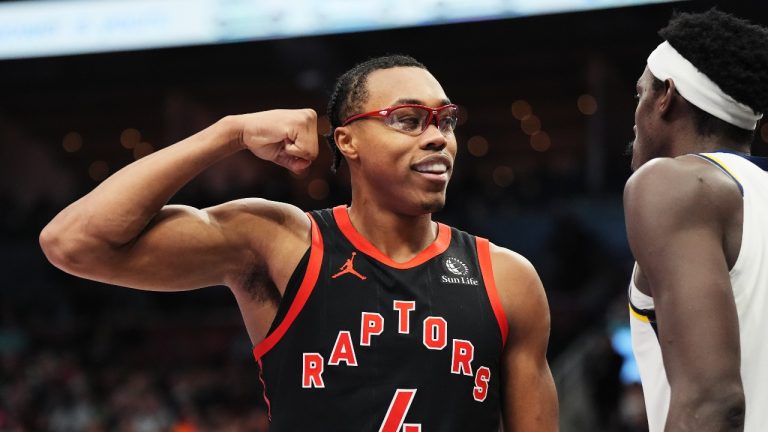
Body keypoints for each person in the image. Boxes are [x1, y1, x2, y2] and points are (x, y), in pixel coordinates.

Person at [40, 55, 558, 431]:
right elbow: (73, 243)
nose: (437, 136)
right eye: (407, 119)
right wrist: (229, 132)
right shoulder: (279, 244)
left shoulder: (508, 277)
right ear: (347, 140)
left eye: (445, 120)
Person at [624, 9, 768, 432]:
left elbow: (713, 401)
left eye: (640, 95)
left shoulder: (672, 184)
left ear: (666, 95)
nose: (635, 117)